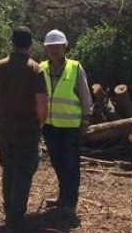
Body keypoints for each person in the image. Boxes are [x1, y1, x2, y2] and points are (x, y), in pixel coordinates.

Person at [0, 26, 48, 232]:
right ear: (31, 44)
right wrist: (41, 122)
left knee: (9, 169)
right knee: (23, 172)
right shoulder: (35, 69)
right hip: (26, 128)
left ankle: (9, 210)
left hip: (4, 128)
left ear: (12, 43)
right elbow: (42, 103)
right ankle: (16, 218)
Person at [40, 29, 93, 217]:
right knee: (57, 163)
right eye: (50, 46)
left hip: (70, 127)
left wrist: (86, 118)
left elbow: (85, 94)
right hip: (49, 125)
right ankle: (62, 197)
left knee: (71, 165)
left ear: (65, 47)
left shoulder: (75, 67)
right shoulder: (41, 68)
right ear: (46, 48)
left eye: (58, 46)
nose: (54, 49)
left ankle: (70, 203)